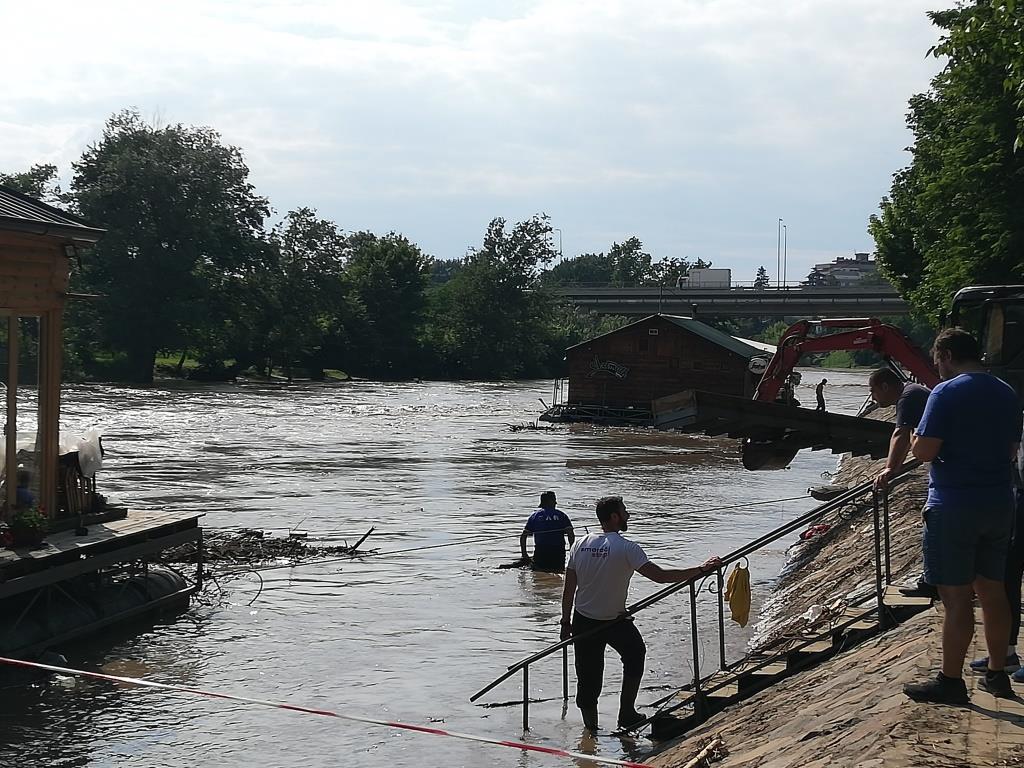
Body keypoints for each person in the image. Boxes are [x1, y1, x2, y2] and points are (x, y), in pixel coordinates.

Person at [903, 328, 1023, 704]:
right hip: (999, 503)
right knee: (993, 590)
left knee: (956, 598)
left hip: (954, 504)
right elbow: (1011, 450)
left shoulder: (945, 392)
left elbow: (924, 451)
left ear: (947, 356)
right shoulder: (1006, 392)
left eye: (938, 360)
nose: (937, 368)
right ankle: (997, 673)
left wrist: (913, 437)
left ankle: (951, 681)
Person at [560, 495, 721, 731]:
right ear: (614, 517)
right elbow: (660, 576)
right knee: (625, 661)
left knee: (595, 674)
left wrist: (565, 621)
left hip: (590, 619)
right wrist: (700, 569)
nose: (628, 515)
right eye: (624, 511)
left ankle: (595, 730)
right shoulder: (627, 548)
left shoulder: (580, 544)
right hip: (607, 620)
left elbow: (569, 588)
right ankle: (619, 717)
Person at [868, 368, 938, 599]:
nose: (873, 398)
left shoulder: (908, 396)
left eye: (873, 391)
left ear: (885, 386)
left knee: (934, 522)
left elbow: (901, 434)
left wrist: (890, 469)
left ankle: (931, 583)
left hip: (951, 471)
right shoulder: (914, 392)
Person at [520, 491, 574, 571]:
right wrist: (572, 552)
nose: (556, 503)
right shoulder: (562, 515)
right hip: (558, 552)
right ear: (551, 501)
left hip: (541, 552)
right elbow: (570, 533)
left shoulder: (535, 516)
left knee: (539, 575)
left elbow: (523, 536)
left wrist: (524, 554)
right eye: (554, 500)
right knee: (558, 574)